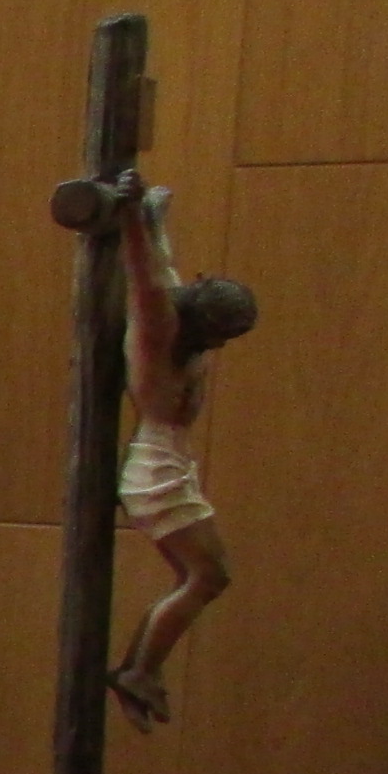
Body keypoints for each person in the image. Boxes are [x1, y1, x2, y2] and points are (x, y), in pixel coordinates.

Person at [108, 180, 256, 731]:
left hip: (169, 466)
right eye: (221, 333)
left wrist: (153, 217)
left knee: (204, 575)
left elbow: (163, 264)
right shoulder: (160, 329)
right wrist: (128, 218)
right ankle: (138, 670)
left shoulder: (181, 325)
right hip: (157, 473)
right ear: (204, 320)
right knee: (208, 575)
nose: (219, 346)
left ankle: (141, 668)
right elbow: (146, 275)